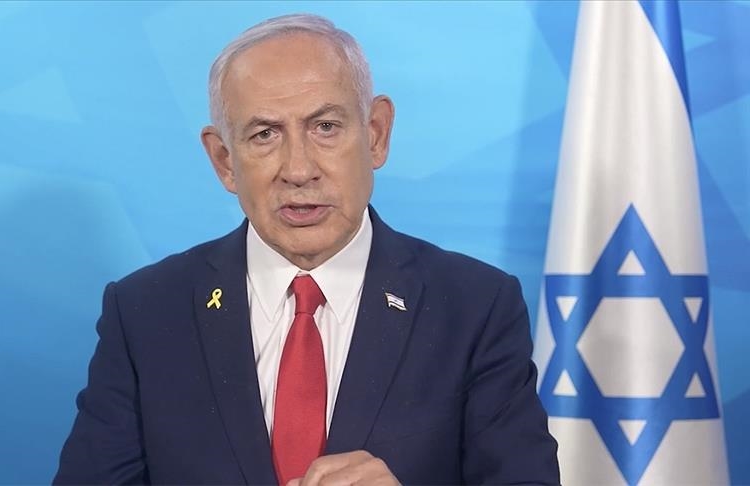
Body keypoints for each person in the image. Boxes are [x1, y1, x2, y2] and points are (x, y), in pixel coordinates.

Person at [54, 13, 559, 485]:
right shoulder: (145, 312)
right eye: (265, 134)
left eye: (325, 127)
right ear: (224, 160)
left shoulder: (474, 308)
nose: (298, 170)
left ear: (376, 134)